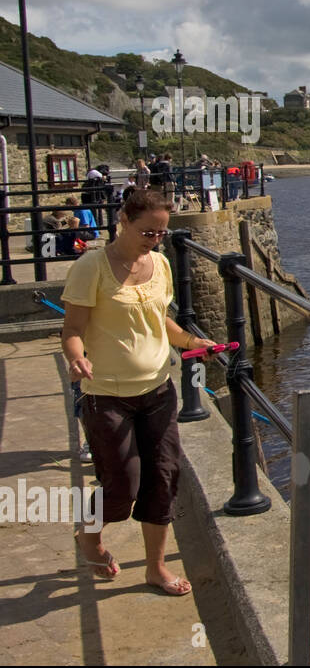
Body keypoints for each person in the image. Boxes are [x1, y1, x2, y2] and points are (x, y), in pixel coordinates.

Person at [60, 190, 219, 594]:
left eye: (162, 234)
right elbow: (73, 330)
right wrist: (77, 359)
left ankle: (155, 568)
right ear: (123, 221)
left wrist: (190, 343)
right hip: (106, 395)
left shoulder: (161, 264)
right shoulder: (91, 267)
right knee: (121, 488)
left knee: (163, 479)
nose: (154, 240)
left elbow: (160, 319)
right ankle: (89, 534)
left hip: (158, 390)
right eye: (148, 231)